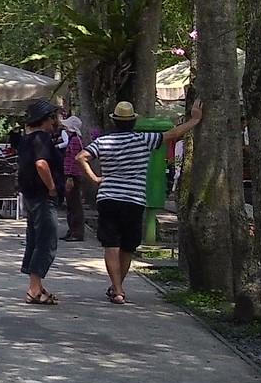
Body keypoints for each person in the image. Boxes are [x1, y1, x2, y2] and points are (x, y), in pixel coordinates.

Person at [80, 98, 204, 304]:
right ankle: (118, 288)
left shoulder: (103, 141)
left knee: (111, 245)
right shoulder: (144, 139)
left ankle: (117, 288)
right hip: (134, 199)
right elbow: (173, 134)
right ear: (133, 122)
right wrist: (194, 120)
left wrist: (95, 179)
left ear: (114, 122)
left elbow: (81, 157)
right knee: (128, 246)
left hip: (108, 197)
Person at [15, 98, 62, 302]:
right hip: (43, 196)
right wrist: (52, 187)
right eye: (52, 117)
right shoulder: (42, 138)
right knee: (46, 240)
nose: (55, 121)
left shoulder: (26, 140)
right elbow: (41, 164)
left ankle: (37, 286)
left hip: (30, 195)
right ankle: (34, 289)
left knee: (34, 238)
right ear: (44, 119)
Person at [59, 114, 88, 241]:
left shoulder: (76, 140)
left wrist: (70, 177)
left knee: (75, 204)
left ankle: (77, 232)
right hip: (70, 174)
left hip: (73, 175)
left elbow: (74, 159)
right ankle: (71, 230)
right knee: (70, 204)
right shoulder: (74, 139)